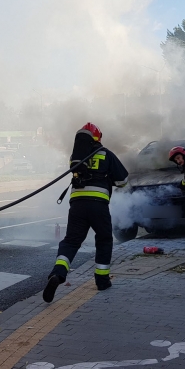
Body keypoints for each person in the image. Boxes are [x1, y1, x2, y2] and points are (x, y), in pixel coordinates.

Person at [43, 123, 129, 302]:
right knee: (104, 239)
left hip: (77, 205)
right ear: (98, 138)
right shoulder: (106, 154)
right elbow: (123, 181)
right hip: (98, 205)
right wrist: (108, 179)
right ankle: (102, 281)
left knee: (71, 241)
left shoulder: (76, 157)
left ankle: (58, 273)